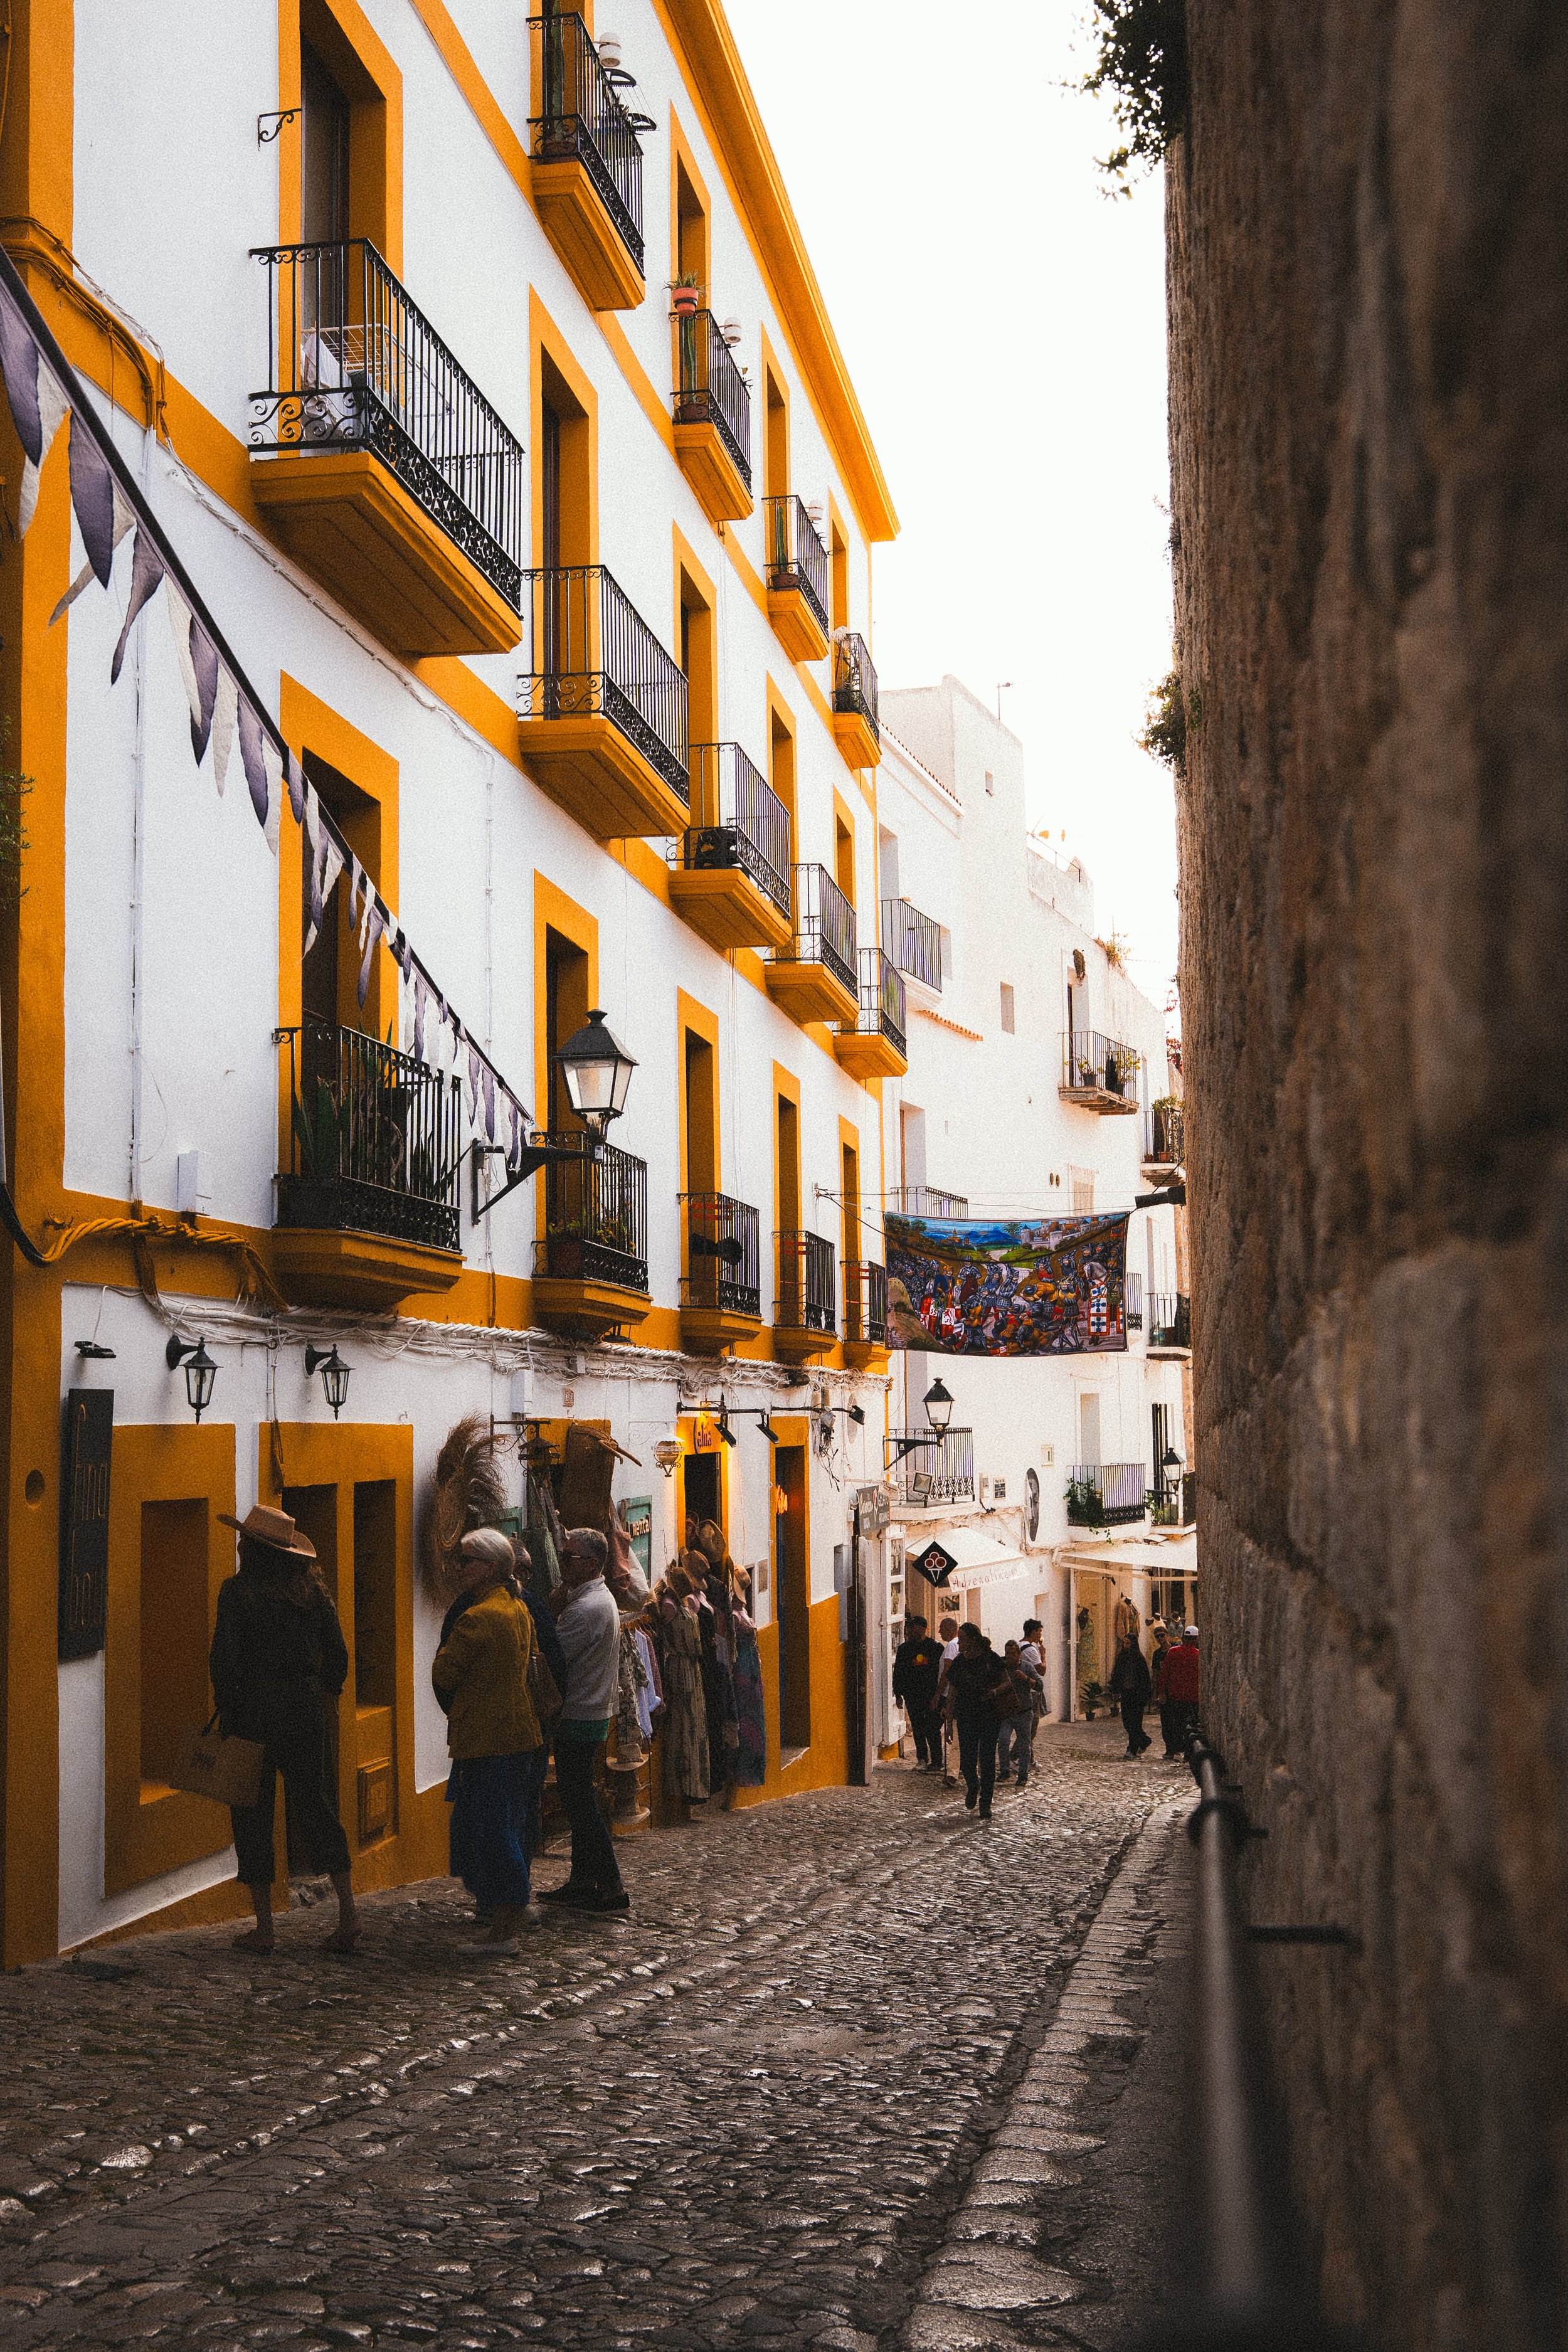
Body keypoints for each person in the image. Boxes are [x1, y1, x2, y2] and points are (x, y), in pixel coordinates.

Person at [209, 1503, 358, 1956]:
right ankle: (349, 1914)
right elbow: (338, 1658)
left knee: (252, 1817)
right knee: (318, 1807)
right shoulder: (314, 1595)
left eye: (245, 1541)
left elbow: (223, 1660)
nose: (240, 1546)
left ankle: (265, 1928)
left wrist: (229, 1710)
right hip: (305, 1710)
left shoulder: (237, 1593)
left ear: (254, 1551)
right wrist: (323, 1694)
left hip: (252, 1713)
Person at [432, 1527, 545, 1949]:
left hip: (486, 1739)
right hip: (519, 1735)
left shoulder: (478, 1617)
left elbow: (444, 1673)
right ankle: (506, 1917)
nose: (458, 1568)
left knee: (493, 1833)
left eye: (466, 1561)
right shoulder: (518, 1608)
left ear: (491, 1567)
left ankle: (503, 1929)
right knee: (506, 1827)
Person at [543, 1527, 629, 1914]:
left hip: (578, 1714)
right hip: (591, 1712)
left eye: (570, 1557)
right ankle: (582, 1882)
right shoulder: (597, 1599)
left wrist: (548, 1611)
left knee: (580, 1803)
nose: (562, 1563)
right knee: (580, 1799)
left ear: (592, 1564)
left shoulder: (584, 1610)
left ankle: (611, 1886)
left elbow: (551, 1655)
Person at [945, 1623, 1014, 1820]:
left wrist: (994, 1692)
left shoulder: (990, 1658)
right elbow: (952, 1694)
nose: (959, 1643)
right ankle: (973, 1786)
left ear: (973, 1640)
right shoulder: (959, 1663)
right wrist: (949, 1724)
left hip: (989, 1716)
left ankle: (986, 1803)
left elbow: (1007, 1683)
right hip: (966, 1717)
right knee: (967, 1760)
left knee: (987, 1759)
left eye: (962, 1639)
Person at [892, 1613, 946, 1770]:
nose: (910, 1630)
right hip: (912, 1695)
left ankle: (937, 1760)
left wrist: (939, 1695)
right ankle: (922, 1758)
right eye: (909, 1627)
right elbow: (899, 1672)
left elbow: (942, 1672)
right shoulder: (904, 1649)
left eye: (913, 1627)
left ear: (922, 1629)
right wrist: (898, 1694)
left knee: (932, 1728)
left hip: (931, 1695)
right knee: (917, 1727)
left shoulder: (936, 1648)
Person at [994, 1640, 1037, 1789]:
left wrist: (1026, 1678)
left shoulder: (1027, 1667)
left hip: (1024, 1712)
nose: (1010, 1657)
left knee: (1024, 1746)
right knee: (1003, 1740)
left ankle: (1023, 1775)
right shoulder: (1002, 1667)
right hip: (1007, 1712)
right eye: (1007, 1654)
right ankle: (1005, 1772)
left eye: (1013, 1654)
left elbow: (1039, 1685)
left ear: (1019, 1654)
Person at [1110, 1631, 1153, 1757]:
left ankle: (1132, 1750)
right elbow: (1117, 1675)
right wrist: (1115, 1691)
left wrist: (1147, 1696)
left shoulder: (1139, 1659)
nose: (1125, 1645)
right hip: (1126, 1694)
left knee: (1135, 1723)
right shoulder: (1121, 1658)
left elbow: (1145, 1679)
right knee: (1127, 1722)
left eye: (1128, 1643)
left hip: (1138, 1695)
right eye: (1124, 1643)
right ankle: (1144, 1740)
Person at [1160, 1623, 1200, 1757]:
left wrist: (1162, 1692)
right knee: (1192, 1727)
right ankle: (1188, 1753)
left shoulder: (1173, 1652)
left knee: (1176, 1725)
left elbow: (1164, 1674)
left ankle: (1176, 1751)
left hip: (1175, 1696)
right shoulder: (1198, 1655)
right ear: (1196, 1639)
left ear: (1184, 1638)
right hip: (1193, 1698)